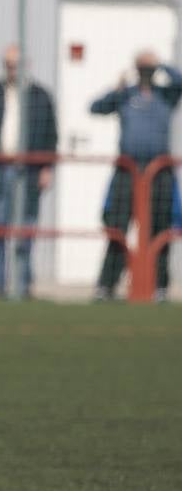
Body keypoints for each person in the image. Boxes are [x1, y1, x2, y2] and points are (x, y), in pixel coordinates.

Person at [90, 50, 180, 302]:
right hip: (128, 171)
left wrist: (161, 64)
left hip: (158, 172)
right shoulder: (126, 95)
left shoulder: (166, 95)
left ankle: (159, 287)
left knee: (159, 230)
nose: (146, 73)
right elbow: (96, 108)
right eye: (142, 68)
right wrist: (116, 88)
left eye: (149, 69)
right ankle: (106, 286)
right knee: (117, 227)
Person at [0, 44, 57, 300]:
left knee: (27, 229)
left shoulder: (41, 97)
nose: (12, 70)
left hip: (29, 170)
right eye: (8, 65)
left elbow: (51, 135)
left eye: (16, 65)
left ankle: (24, 283)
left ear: (26, 66)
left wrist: (46, 167)